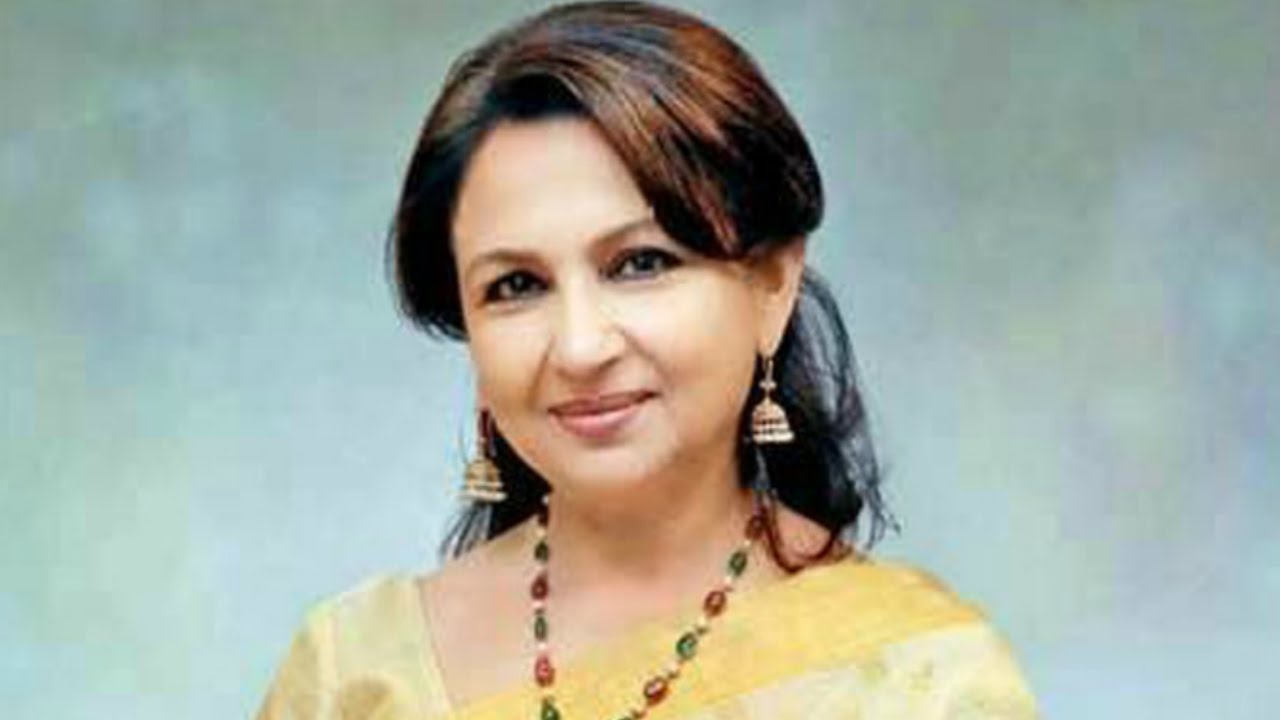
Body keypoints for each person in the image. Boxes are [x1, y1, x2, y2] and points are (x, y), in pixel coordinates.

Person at [255, 2, 1039, 718]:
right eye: (516, 285)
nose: (580, 346)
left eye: (640, 264)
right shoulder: (354, 673)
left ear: (771, 282)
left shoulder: (919, 679)